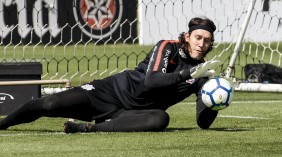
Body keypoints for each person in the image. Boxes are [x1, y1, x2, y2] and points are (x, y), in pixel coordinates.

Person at [0, 17, 220, 133]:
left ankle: (90, 128)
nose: (202, 44)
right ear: (188, 36)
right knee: (49, 104)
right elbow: (152, 81)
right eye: (198, 37)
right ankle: (3, 124)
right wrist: (187, 72)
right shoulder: (168, 47)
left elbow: (203, 123)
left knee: (161, 119)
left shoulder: (203, 74)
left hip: (131, 114)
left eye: (207, 40)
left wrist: (216, 100)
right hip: (108, 92)